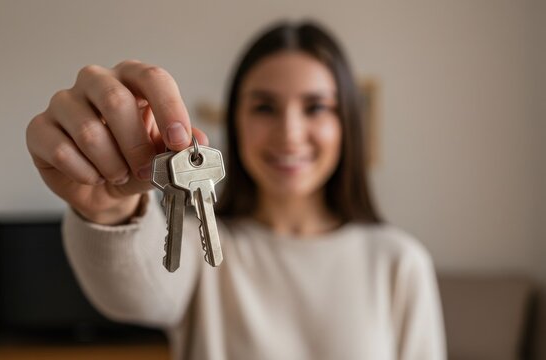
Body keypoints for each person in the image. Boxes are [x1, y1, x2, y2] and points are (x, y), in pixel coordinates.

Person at [26, 21, 446, 360]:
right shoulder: (197, 250)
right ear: (236, 120)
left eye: (316, 107)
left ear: (347, 124)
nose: (290, 133)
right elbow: (134, 294)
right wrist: (108, 210)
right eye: (264, 107)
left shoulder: (399, 262)